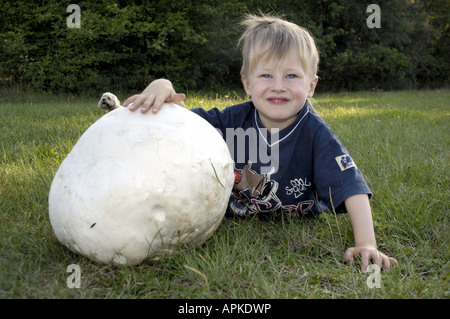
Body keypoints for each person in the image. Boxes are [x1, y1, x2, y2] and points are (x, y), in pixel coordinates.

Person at [123, 14, 397, 273]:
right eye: (266, 76)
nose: (278, 86)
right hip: (232, 212)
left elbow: (351, 187)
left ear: (311, 85)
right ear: (247, 84)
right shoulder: (231, 119)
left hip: (294, 214)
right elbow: (179, 120)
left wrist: (366, 243)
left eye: (291, 76)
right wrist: (161, 84)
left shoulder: (315, 133)